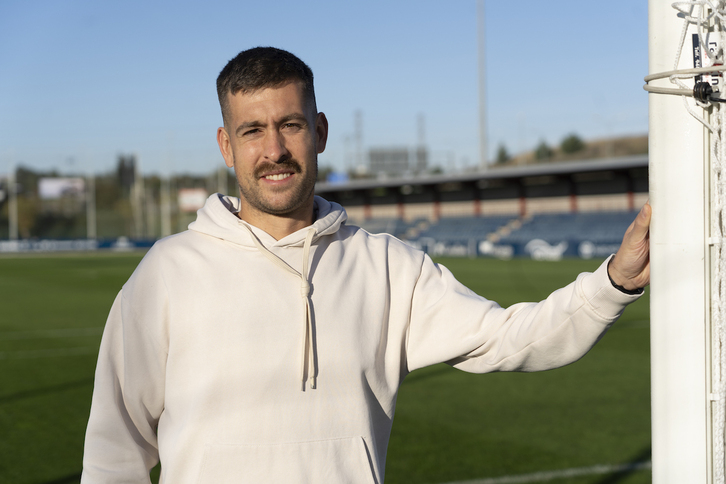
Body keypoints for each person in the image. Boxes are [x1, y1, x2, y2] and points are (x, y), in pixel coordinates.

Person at [81, 47, 651, 483]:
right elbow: (115, 447)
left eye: (291, 124)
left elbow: (510, 339)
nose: (274, 149)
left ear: (320, 131)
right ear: (227, 147)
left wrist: (613, 283)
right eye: (252, 130)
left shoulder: (386, 266)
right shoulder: (168, 272)